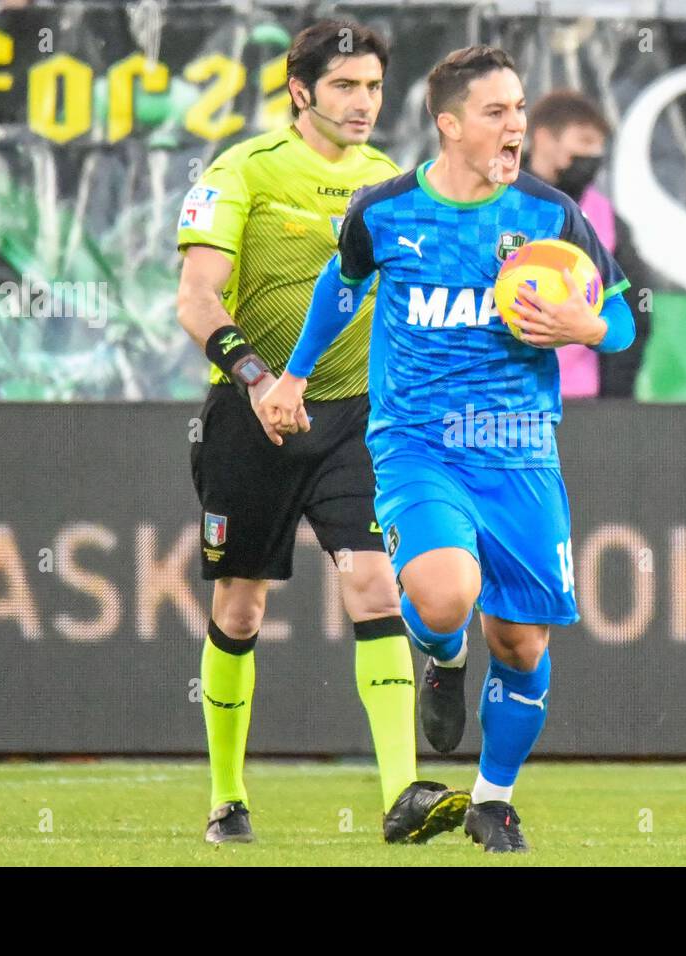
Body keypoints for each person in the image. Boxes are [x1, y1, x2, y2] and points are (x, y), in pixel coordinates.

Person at [268, 46, 634, 851]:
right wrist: (292, 376)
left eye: (521, 109)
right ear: (450, 125)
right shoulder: (386, 211)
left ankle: (492, 798)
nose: (517, 126)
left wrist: (589, 328)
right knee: (443, 597)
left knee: (523, 641)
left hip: (520, 454)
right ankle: (442, 654)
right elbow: (341, 287)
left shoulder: (548, 216)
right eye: (498, 112)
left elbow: (625, 314)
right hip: (417, 446)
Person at [174, 19, 468, 847]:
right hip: (250, 413)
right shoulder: (243, 172)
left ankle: (403, 795)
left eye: (373, 86)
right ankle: (227, 799)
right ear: (300, 91)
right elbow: (197, 299)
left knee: (376, 585)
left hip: (358, 418)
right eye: (345, 86)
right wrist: (259, 380)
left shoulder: (394, 184)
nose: (363, 102)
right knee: (238, 607)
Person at [523, 90, 651, 398]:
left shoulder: (605, 219)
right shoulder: (499, 206)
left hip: (579, 402)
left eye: (599, 146)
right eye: (584, 141)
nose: (594, 155)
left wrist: (612, 404)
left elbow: (634, 314)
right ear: (543, 139)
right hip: (505, 400)